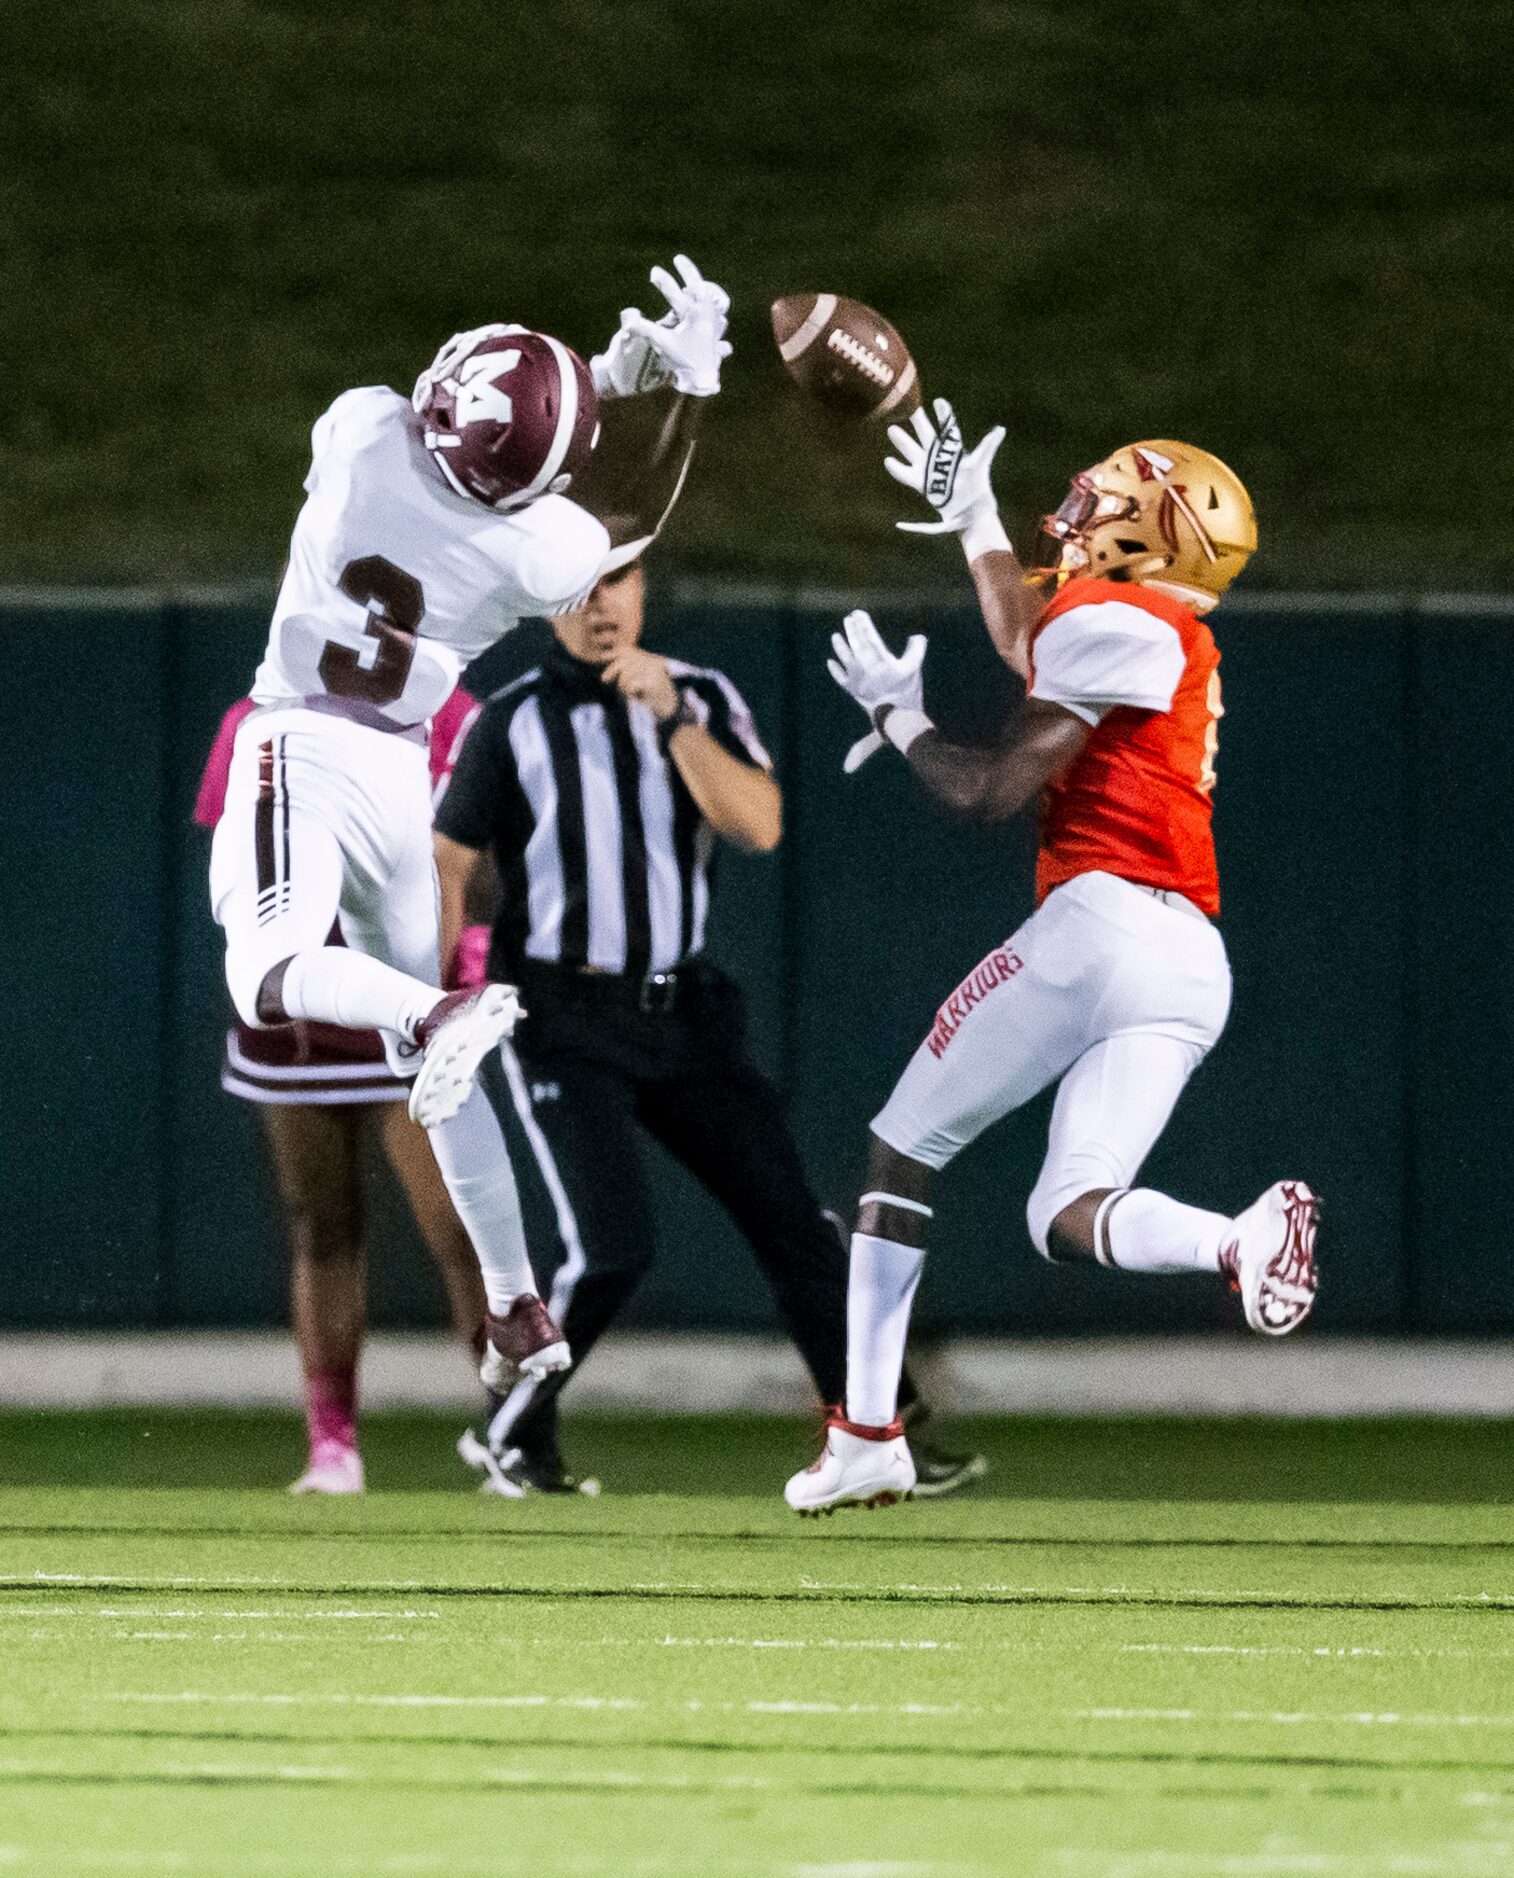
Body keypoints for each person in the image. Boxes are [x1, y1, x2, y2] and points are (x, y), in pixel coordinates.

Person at [206, 255, 731, 1400]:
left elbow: (451, 405)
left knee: (269, 974)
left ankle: (437, 1007)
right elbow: (626, 513)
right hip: (403, 773)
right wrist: (676, 388)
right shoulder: (530, 550)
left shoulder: (357, 435)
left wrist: (602, 371)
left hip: (298, 738)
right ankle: (513, 1301)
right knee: (433, 1072)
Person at [786, 404, 1319, 1514]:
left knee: (897, 1151)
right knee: (1065, 1212)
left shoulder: (1126, 620)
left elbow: (987, 791)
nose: (1086, 504)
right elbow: (1033, 635)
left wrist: (897, 721)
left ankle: (868, 1434)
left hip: (1099, 927)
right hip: (1186, 963)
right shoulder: (1140, 621)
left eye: (1116, 495)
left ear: (1155, 530)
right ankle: (1238, 1238)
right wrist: (970, 519)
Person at [432, 561, 986, 1496]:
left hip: (684, 1011)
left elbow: (759, 823)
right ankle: (513, 1434)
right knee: (609, 1247)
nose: (600, 604)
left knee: (798, 1227)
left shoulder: (702, 695)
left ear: (645, 588)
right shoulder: (511, 717)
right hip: (561, 1011)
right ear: (544, 602)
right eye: (576, 587)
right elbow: (448, 864)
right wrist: (431, 1008)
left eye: (618, 581)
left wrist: (675, 721)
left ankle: (878, 1435)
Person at [195, 689, 489, 1492]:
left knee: (463, 1231)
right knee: (322, 1224)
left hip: (407, 995)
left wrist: (469, 950)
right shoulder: (252, 716)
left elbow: (484, 850)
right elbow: (234, 849)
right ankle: (332, 1446)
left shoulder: (449, 709)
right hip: (299, 1002)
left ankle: (516, 1441)